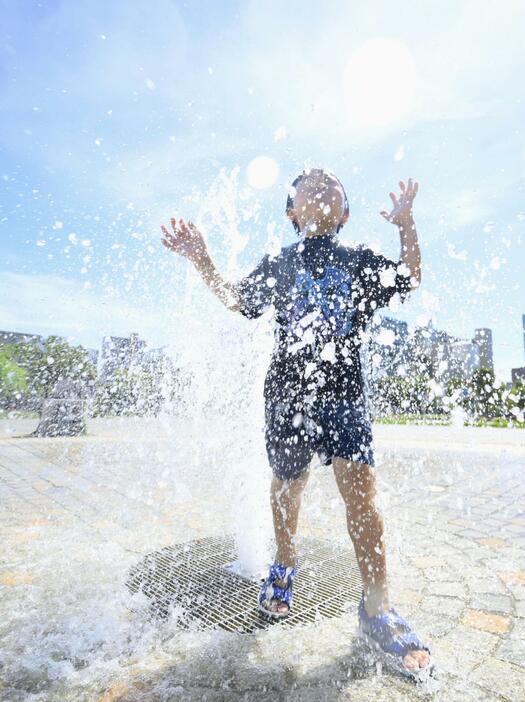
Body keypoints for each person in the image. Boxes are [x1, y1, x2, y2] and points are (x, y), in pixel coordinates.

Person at [160, 168, 433, 681]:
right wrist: (201, 259)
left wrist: (406, 225)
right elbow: (237, 299)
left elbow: (410, 278)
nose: (322, 186)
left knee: (363, 496)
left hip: (345, 395)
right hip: (286, 395)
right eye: (309, 185)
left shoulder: (356, 263)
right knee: (288, 484)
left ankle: (377, 608)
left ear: (346, 213)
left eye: (333, 185)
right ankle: (284, 563)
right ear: (292, 211)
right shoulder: (280, 264)